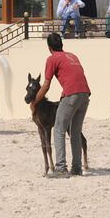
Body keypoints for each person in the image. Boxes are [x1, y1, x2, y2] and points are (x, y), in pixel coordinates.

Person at [31, 33, 91, 177]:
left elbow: (45, 86)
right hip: (85, 94)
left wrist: (34, 103)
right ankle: (76, 168)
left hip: (71, 94)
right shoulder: (72, 56)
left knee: (58, 129)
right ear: (62, 45)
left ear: (49, 47)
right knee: (75, 133)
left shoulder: (52, 58)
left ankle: (60, 168)